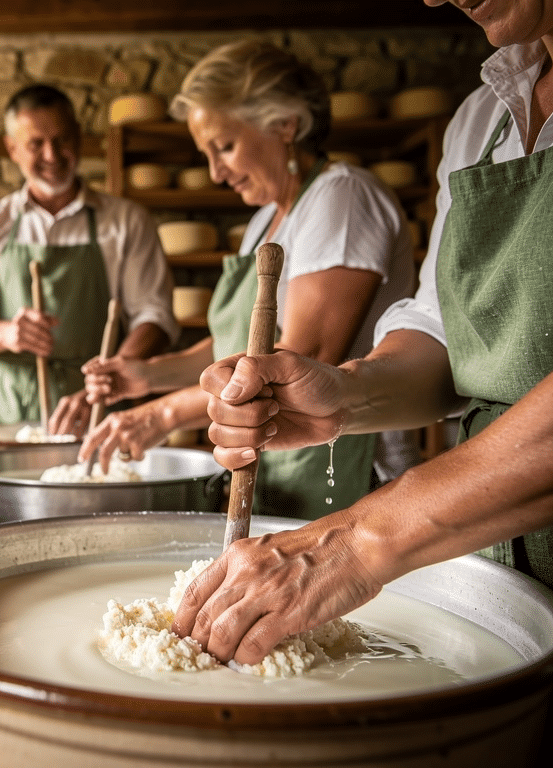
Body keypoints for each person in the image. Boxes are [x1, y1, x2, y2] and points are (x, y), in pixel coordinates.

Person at [172, 0, 553, 669]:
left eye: (223, 146)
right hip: (497, 553)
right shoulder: (481, 120)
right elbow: (441, 332)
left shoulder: (343, 195)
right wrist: (346, 395)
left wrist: (358, 540)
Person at [77, 40, 419, 520]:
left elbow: (303, 360)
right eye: (207, 154)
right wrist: (148, 375)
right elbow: (235, 348)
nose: (217, 173)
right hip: (278, 460)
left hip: (347, 469)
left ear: (285, 124)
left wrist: (162, 414)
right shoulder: (265, 221)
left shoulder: (342, 198)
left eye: (225, 146)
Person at [0, 84, 179, 428]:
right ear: (13, 148)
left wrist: (110, 376)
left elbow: (155, 317)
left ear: (78, 139)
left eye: (62, 140)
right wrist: (4, 333)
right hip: (7, 408)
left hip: (98, 403)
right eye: (36, 143)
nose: (51, 155)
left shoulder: (126, 221)